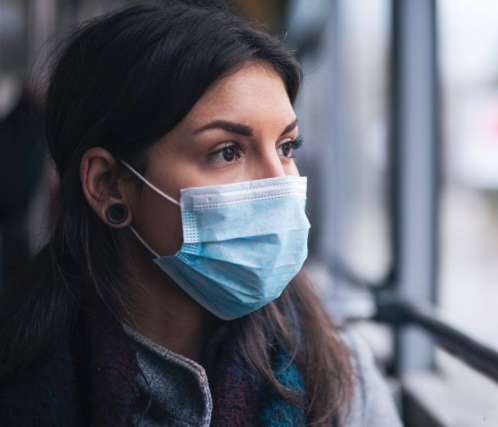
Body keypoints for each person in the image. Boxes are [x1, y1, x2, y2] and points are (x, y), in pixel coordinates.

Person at [0, 2, 403, 426]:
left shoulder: (339, 375)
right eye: (227, 152)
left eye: (286, 147)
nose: (278, 184)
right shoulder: (19, 378)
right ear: (109, 184)